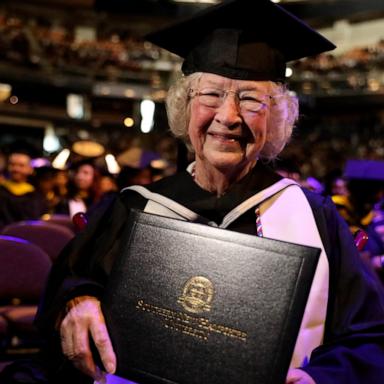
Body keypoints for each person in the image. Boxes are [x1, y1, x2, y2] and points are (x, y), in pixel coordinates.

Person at [3, 1, 384, 383]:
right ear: (185, 108)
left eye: (251, 98)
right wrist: (78, 300)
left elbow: (371, 336)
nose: (228, 116)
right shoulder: (131, 207)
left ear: (277, 118)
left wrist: (319, 379)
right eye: (211, 94)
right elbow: (72, 285)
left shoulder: (314, 216)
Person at [0, 145, 48, 229]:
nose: (16, 169)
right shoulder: (2, 190)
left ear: (30, 169)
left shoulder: (35, 195)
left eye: (21, 165)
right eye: (12, 164)